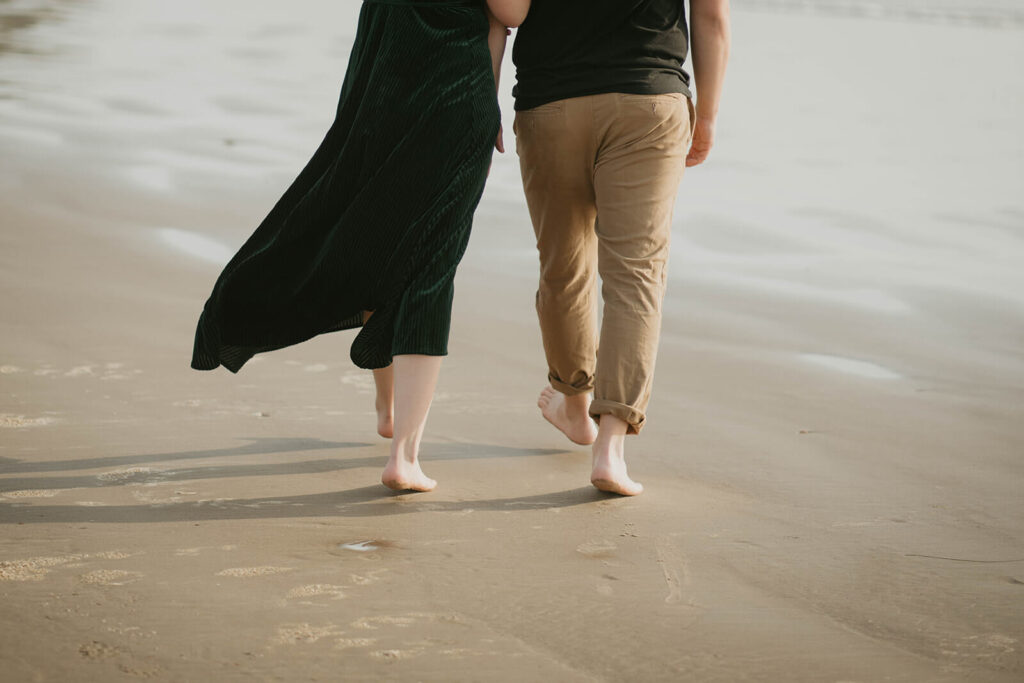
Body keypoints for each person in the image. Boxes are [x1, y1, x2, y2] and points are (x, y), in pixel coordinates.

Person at [191, 0, 531, 492]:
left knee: (378, 244)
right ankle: (405, 455)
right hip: (452, 102)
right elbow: (512, 13)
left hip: (376, 100)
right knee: (430, 270)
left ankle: (388, 407)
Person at [512, 0, 730, 495]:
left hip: (551, 100)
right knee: (636, 276)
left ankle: (573, 402)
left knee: (563, 266)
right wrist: (710, 115)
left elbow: (507, 12)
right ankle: (610, 447)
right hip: (648, 100)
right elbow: (712, 15)